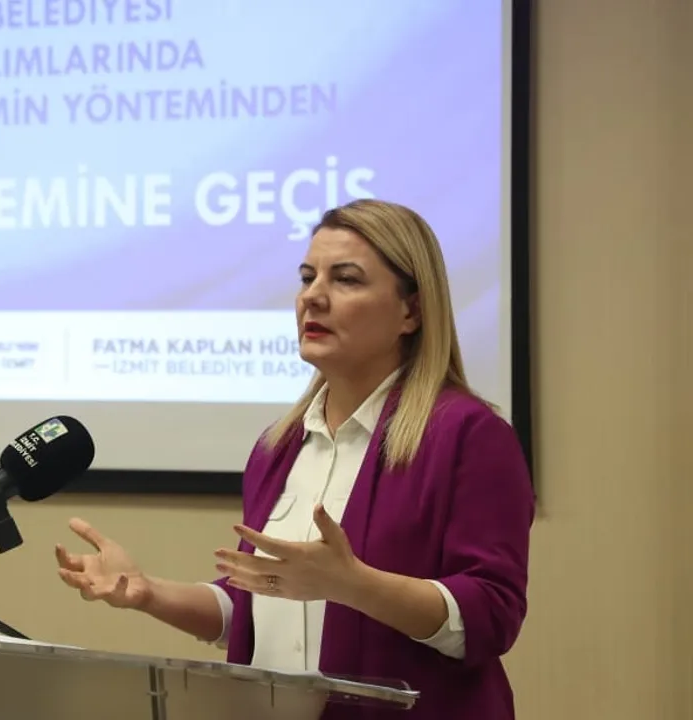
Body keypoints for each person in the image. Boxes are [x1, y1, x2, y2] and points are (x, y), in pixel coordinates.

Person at [54, 199, 534, 719]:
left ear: (411, 311)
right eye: (308, 277)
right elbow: (258, 606)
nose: (313, 297)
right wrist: (147, 592)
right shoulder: (277, 447)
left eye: (345, 279)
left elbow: (491, 616)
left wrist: (354, 585)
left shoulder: (468, 435)